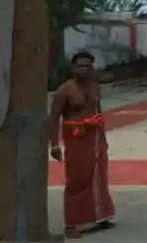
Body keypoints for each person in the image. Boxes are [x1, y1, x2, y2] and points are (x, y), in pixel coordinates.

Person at [49, 51, 116, 239]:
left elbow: (98, 112)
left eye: (88, 66)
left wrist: (103, 138)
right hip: (76, 139)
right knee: (76, 180)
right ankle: (71, 223)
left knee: (99, 177)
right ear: (73, 68)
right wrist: (54, 144)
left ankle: (100, 216)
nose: (85, 69)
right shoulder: (64, 91)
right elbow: (54, 117)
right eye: (81, 66)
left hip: (95, 137)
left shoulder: (95, 88)